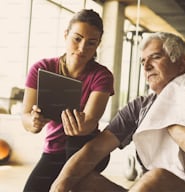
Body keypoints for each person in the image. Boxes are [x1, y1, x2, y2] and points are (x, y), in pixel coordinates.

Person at [50, 32, 185, 192]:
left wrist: (166, 113)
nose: (146, 67)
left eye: (155, 57)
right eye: (142, 61)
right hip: (149, 187)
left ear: (180, 64)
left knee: (156, 177)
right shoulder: (140, 106)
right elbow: (95, 149)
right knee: (81, 180)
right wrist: (59, 185)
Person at [21, 9, 114, 192]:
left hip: (88, 149)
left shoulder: (102, 76)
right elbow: (25, 117)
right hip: (54, 150)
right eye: (77, 39)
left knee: (74, 143)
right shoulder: (42, 68)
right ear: (66, 34)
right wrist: (34, 122)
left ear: (98, 45)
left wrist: (80, 126)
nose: (82, 48)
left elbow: (90, 122)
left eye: (91, 43)